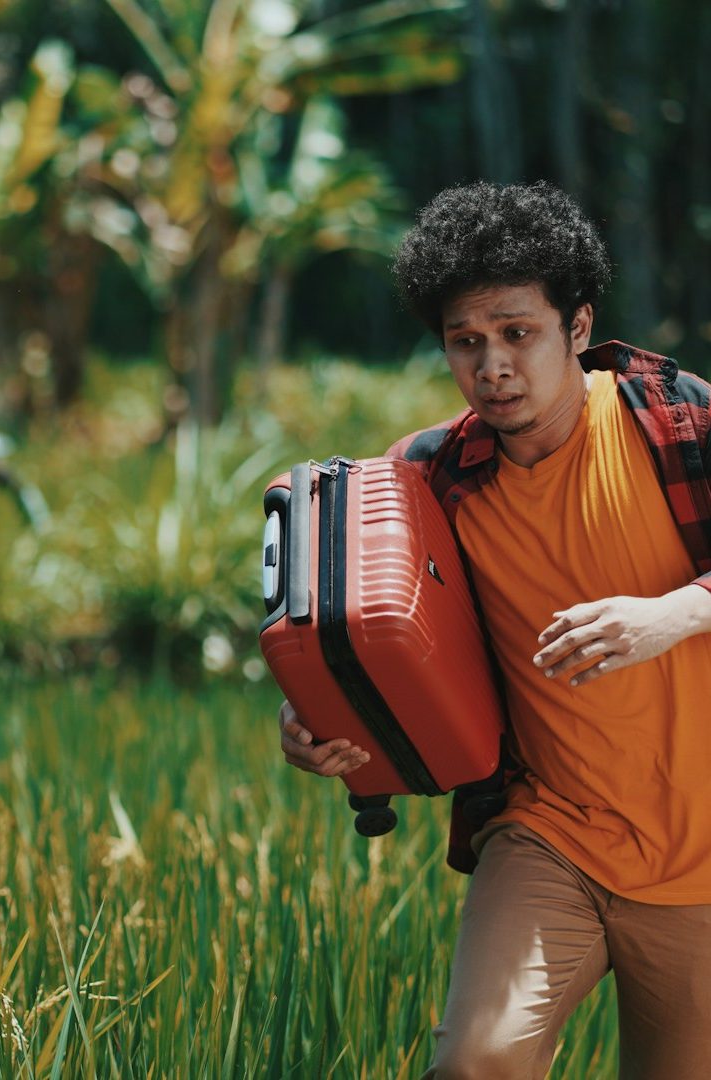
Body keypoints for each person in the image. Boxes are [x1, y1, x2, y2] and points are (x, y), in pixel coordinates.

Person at [278, 181, 711, 1079]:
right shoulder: (424, 482)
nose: (492, 366)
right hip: (552, 832)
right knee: (478, 1062)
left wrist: (677, 611)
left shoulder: (679, 423)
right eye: (465, 342)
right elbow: (346, 632)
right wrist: (313, 718)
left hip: (703, 868)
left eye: (518, 333)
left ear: (577, 328)